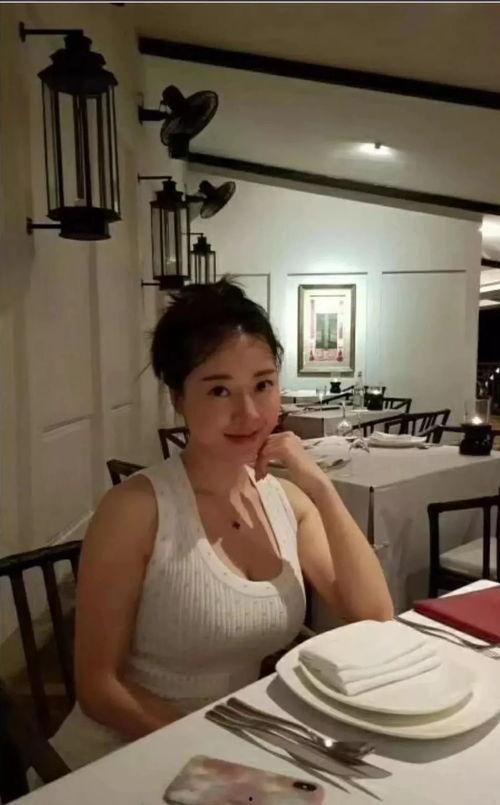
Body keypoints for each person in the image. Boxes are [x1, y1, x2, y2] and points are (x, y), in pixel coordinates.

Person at [49, 278, 393, 772]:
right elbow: (99, 688)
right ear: (178, 399)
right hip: (123, 759)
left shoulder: (288, 501)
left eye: (263, 385)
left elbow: (374, 616)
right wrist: (220, 754)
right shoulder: (135, 510)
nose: (248, 413)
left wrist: (321, 486)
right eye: (218, 390)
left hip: (239, 743)